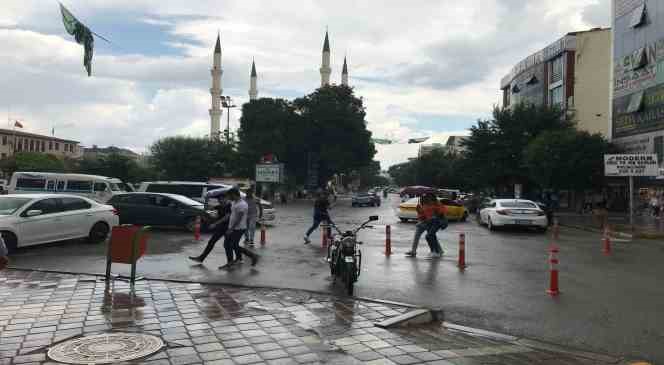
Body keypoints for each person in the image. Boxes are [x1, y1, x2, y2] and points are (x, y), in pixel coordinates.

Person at [189, 195, 233, 265]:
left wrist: (215, 224)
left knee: (230, 245)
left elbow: (226, 217)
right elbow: (207, 209)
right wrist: (206, 200)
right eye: (219, 200)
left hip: (229, 228)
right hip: (221, 228)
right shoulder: (219, 206)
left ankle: (236, 260)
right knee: (211, 242)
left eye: (222, 199)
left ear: (226, 199)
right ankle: (201, 258)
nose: (220, 201)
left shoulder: (230, 206)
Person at [225, 188, 259, 267]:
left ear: (234, 194)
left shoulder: (242, 204)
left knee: (233, 245)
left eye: (230, 196)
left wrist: (231, 229)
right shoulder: (234, 202)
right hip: (232, 227)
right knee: (227, 244)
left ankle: (252, 256)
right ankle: (236, 260)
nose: (229, 197)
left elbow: (239, 219)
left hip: (239, 228)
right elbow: (233, 214)